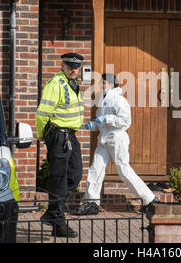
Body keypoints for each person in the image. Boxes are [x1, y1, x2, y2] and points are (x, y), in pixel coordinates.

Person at [76, 73, 159, 216]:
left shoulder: (119, 100)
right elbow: (103, 123)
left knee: (124, 171)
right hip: (103, 139)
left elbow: (125, 121)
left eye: (105, 82)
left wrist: (105, 118)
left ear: (112, 84)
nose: (102, 85)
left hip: (116, 139)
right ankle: (92, 202)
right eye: (102, 82)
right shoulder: (103, 100)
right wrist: (94, 125)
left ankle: (149, 200)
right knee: (95, 169)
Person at [35, 53, 85, 238]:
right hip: (58, 136)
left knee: (75, 175)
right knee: (59, 179)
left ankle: (52, 213)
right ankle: (58, 222)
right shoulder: (56, 83)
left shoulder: (72, 84)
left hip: (70, 136)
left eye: (76, 66)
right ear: (62, 65)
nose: (73, 69)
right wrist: (42, 135)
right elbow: (42, 113)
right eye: (70, 66)